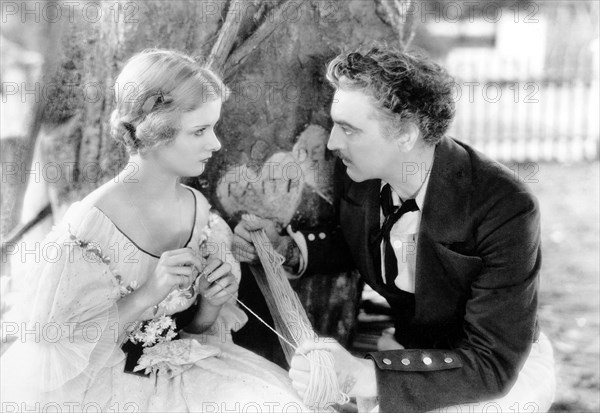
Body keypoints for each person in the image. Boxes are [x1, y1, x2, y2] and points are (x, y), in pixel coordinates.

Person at [233, 45, 556, 412]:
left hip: (494, 376)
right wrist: (287, 249)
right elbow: (367, 241)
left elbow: (493, 366)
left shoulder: (505, 206)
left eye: (349, 130)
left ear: (406, 135)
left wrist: (359, 374)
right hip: (406, 352)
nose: (332, 143)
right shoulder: (362, 171)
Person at [0, 49, 306, 412]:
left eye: (213, 128)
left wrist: (210, 301)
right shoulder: (87, 231)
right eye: (200, 131)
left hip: (185, 370)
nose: (215, 143)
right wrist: (148, 292)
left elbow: (192, 330)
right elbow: (57, 352)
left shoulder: (200, 212)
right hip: (102, 389)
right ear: (156, 130)